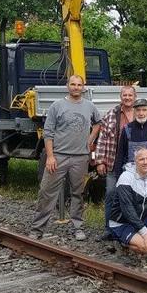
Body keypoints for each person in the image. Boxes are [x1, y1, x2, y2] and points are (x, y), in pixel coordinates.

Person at [30, 74, 102, 241]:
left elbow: (98, 123)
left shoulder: (90, 106)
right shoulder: (57, 106)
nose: (76, 87)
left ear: (83, 87)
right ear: (67, 86)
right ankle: (37, 229)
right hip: (59, 156)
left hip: (80, 158)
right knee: (47, 192)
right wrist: (50, 156)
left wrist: (90, 139)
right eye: (73, 84)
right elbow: (48, 133)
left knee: (78, 193)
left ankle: (78, 227)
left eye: (79, 85)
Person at [94, 85, 137, 242]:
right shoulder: (111, 114)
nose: (127, 98)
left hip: (135, 165)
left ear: (135, 97)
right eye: (124, 95)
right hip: (113, 162)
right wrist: (100, 161)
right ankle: (109, 229)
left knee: (133, 197)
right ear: (121, 97)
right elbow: (102, 139)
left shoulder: (142, 112)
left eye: (130, 95)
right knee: (112, 195)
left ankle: (131, 228)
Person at [113, 98, 147, 179]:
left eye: (144, 110)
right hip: (131, 174)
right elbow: (120, 154)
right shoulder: (127, 129)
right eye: (138, 110)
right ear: (134, 112)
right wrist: (118, 176)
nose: (141, 113)